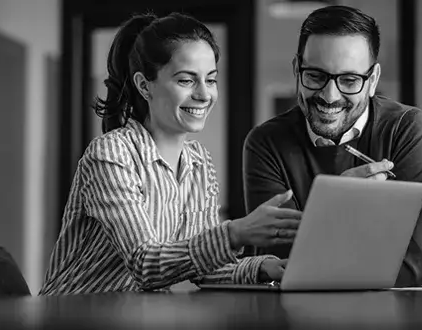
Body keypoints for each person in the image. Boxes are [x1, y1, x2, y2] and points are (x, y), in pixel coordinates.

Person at [40, 12, 302, 295]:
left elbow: (202, 266)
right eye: (186, 81)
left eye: (211, 80)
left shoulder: (199, 162)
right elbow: (145, 264)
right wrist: (236, 233)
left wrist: (263, 267)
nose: (204, 94)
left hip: (136, 313)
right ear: (144, 85)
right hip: (73, 311)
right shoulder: (111, 154)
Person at [242, 5, 422, 289]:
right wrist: (338, 207)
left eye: (349, 80)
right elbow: (284, 267)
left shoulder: (409, 130)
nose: (330, 96)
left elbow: (410, 269)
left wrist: (320, 233)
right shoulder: (266, 143)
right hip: (305, 308)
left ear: (373, 81)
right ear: (297, 70)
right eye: (315, 76)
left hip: (413, 304)